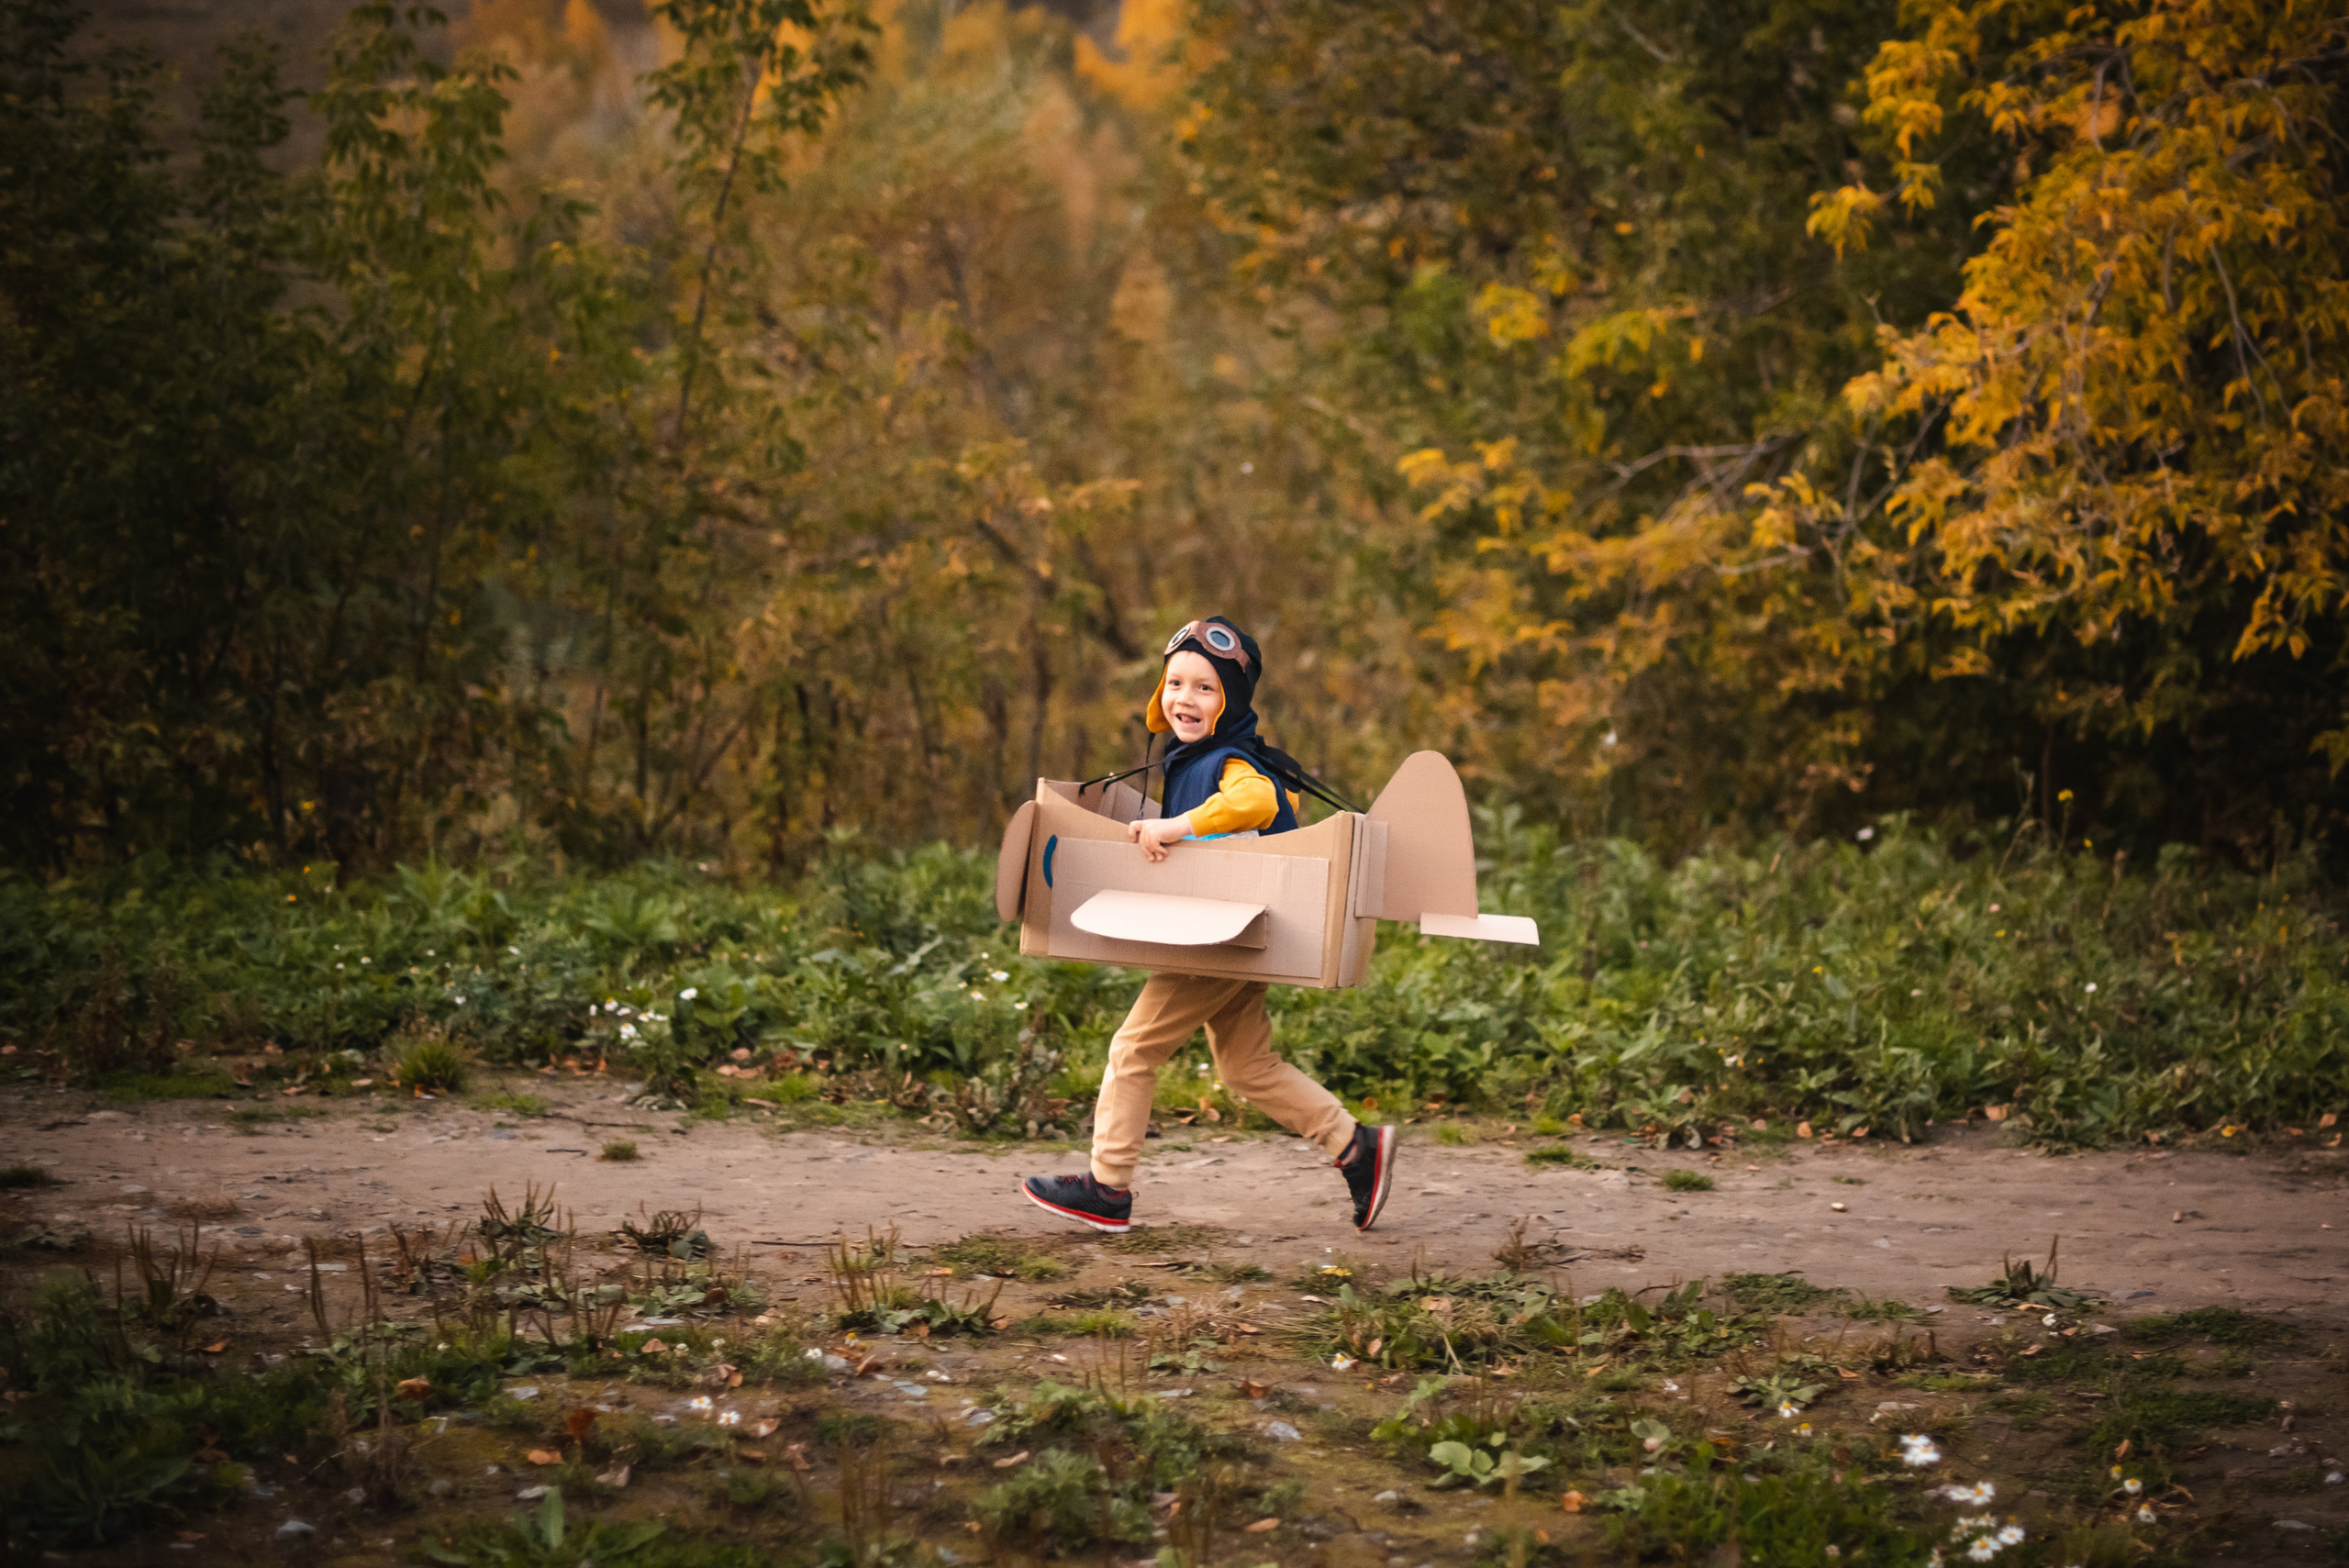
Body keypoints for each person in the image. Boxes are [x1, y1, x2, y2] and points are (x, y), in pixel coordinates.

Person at [1019, 616, 1397, 1236]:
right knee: (1247, 1067)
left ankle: (1109, 1186)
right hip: (1240, 931)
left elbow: (1260, 802)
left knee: (1133, 1046)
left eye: (1205, 689)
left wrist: (1176, 826)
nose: (1185, 700)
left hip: (1228, 933)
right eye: (1175, 684)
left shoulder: (1227, 760)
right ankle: (1356, 1146)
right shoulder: (1189, 760)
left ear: (1231, 703)